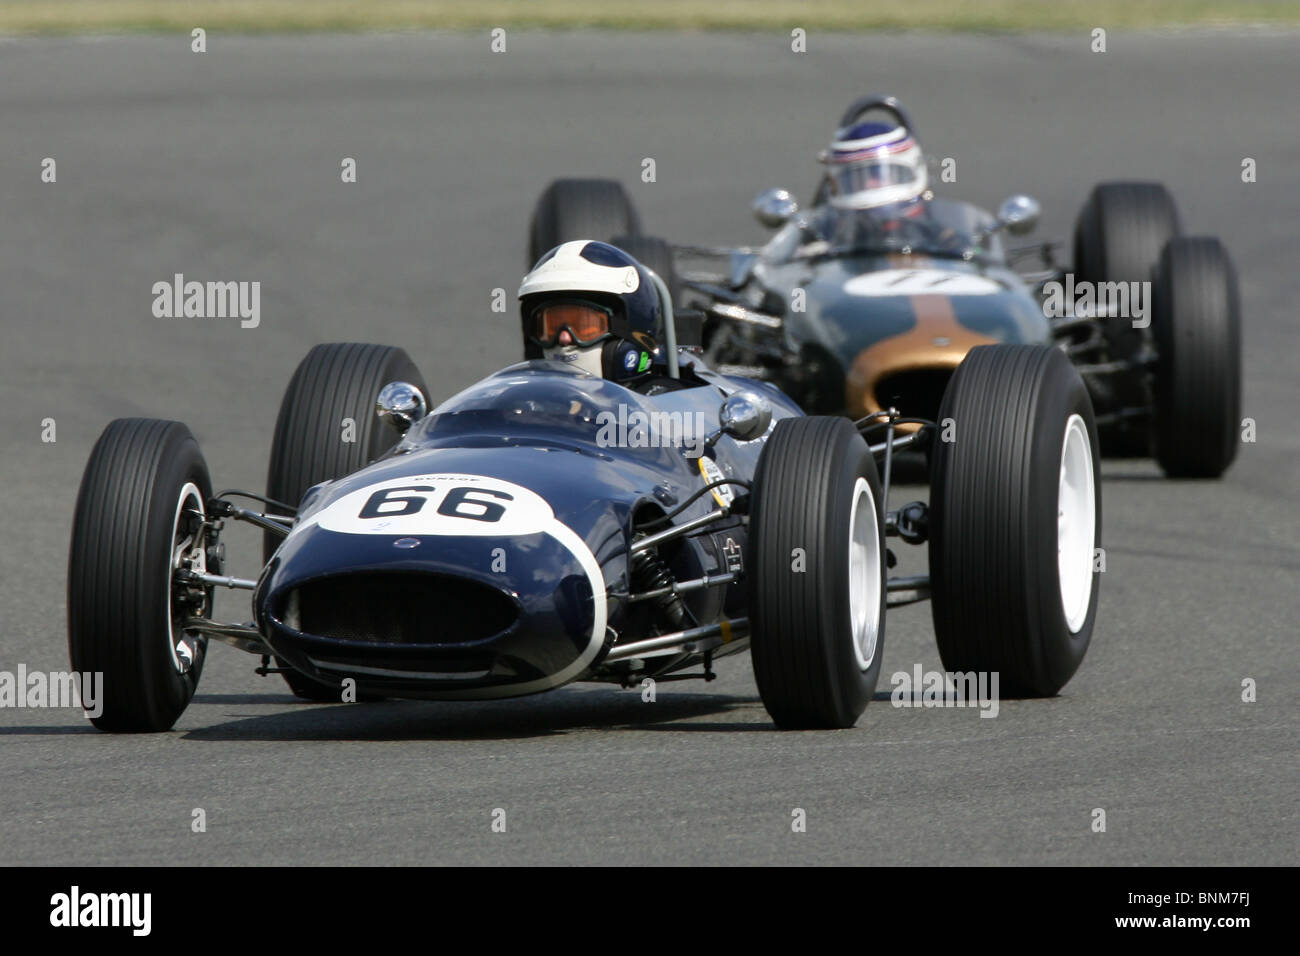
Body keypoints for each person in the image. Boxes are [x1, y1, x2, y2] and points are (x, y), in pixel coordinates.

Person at [518, 239, 670, 386]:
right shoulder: (524, 405)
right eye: (551, 327)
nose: (564, 338)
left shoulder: (668, 405)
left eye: (584, 326)